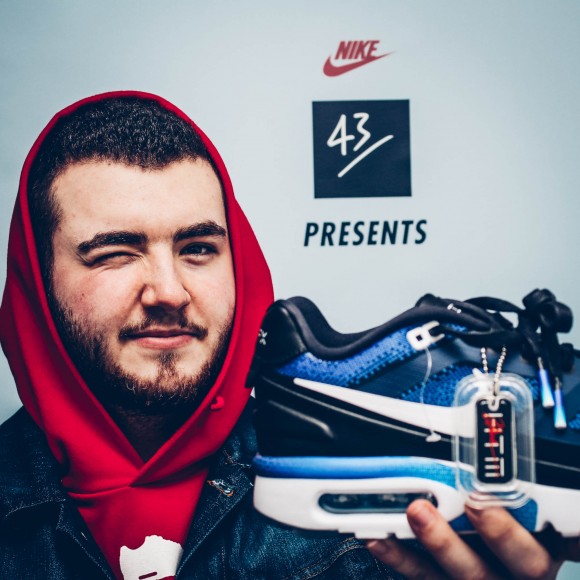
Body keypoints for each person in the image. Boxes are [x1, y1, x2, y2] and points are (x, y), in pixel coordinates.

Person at [0, 92, 578, 579]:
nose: (170, 291)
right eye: (115, 253)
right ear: (38, 282)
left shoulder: (378, 520)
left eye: (198, 248)